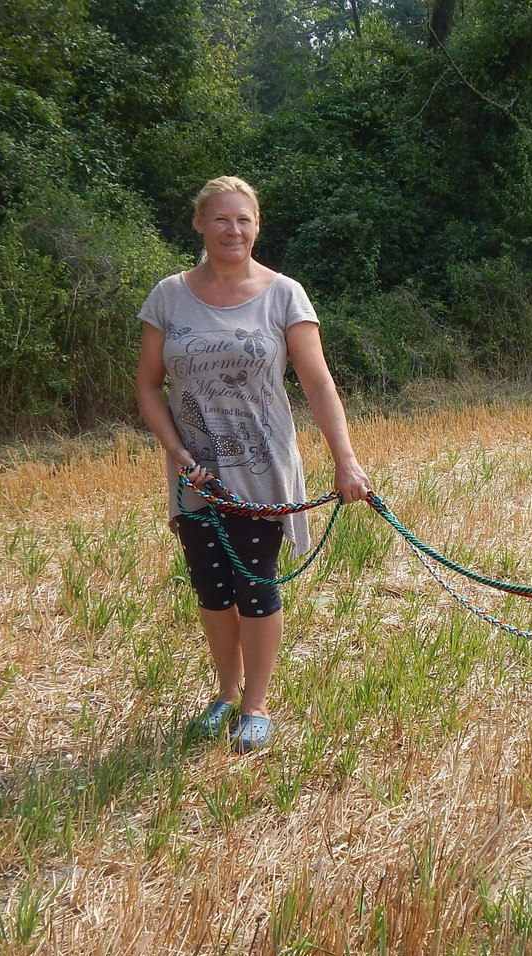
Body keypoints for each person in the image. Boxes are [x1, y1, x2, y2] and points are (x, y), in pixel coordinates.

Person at [135, 175, 371, 753]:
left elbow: (318, 384)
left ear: (257, 225)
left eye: (243, 219)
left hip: (262, 473)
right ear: (199, 224)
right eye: (220, 219)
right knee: (213, 591)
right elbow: (147, 386)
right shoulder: (168, 296)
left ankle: (256, 705)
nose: (232, 229)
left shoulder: (284, 294)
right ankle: (224, 692)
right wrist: (176, 451)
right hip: (196, 476)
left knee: (255, 586)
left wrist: (346, 461)